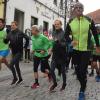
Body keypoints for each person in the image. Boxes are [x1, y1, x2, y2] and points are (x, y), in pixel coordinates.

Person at [65, 2, 100, 100]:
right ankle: (83, 81)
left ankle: (82, 90)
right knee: (77, 71)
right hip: (75, 50)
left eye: (80, 7)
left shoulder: (89, 20)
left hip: (86, 49)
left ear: (83, 9)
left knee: (82, 70)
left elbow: (95, 33)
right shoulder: (71, 21)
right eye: (76, 7)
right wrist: (70, 41)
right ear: (74, 10)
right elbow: (65, 35)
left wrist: (97, 45)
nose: (78, 9)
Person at [49, 19, 67, 91]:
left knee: (62, 71)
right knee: (52, 70)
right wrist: (51, 49)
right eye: (55, 24)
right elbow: (53, 43)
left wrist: (58, 41)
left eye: (58, 24)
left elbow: (65, 44)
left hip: (62, 55)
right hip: (55, 54)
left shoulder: (64, 33)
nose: (56, 25)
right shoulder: (53, 33)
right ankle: (55, 83)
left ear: (61, 25)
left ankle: (64, 83)